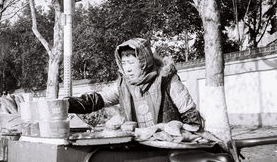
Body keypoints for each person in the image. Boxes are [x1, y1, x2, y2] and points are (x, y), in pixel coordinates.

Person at [67, 37, 203, 128]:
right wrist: (67, 104)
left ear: (144, 62)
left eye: (131, 62)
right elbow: (96, 100)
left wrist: (187, 141)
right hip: (139, 147)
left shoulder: (167, 80)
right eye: (124, 63)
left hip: (168, 147)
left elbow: (190, 116)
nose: (127, 68)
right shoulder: (123, 85)